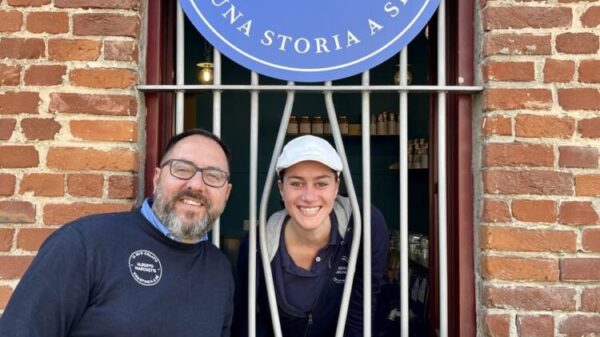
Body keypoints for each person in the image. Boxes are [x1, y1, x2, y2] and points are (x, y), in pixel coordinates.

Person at [0, 128, 235, 337]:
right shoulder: (85, 244)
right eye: (182, 169)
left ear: (226, 194)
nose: (196, 185)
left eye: (213, 176)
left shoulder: (220, 271)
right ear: (156, 178)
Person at [234, 135, 389, 337]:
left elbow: (362, 310)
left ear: (336, 187)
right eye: (297, 184)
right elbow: (251, 321)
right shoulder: (258, 245)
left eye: (321, 184)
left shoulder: (364, 224)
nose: (309, 197)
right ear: (281, 189)